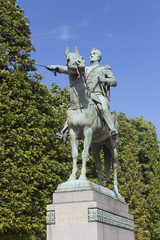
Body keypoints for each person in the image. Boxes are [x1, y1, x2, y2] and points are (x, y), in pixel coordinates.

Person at [47, 48, 117, 143]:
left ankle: (112, 129)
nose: (91, 55)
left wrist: (104, 80)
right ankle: (64, 133)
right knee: (73, 108)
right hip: (86, 94)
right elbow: (68, 69)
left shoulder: (104, 68)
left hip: (98, 94)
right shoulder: (84, 68)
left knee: (103, 105)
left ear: (99, 57)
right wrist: (56, 67)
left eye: (94, 54)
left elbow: (114, 82)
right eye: (90, 54)